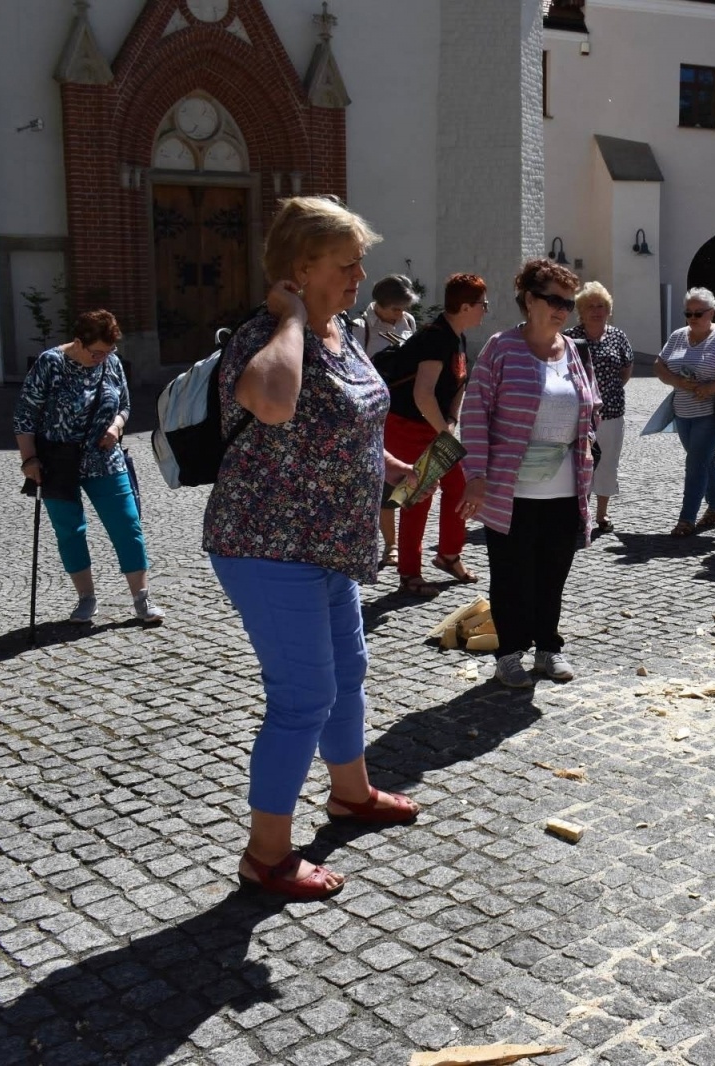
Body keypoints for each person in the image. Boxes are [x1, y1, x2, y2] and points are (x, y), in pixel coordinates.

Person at [204, 196, 421, 901]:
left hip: (330, 542)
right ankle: (265, 853)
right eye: (346, 263)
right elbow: (271, 404)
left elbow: (352, 422)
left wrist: (390, 468)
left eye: (361, 261)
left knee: (349, 670)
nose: (362, 275)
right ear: (300, 268)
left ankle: (349, 792)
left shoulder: (344, 335)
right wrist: (293, 317)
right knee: (303, 697)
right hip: (267, 543)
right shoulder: (267, 335)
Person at [458, 259, 599, 688]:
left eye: (568, 303)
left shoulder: (572, 350)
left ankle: (547, 649)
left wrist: (587, 436)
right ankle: (509, 654)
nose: (562, 310)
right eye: (554, 300)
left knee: (553, 573)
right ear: (530, 299)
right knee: (511, 576)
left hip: (564, 485)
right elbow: (476, 413)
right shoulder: (501, 348)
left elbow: (588, 406)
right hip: (509, 488)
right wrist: (476, 474)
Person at [14, 309, 164, 626]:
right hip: (57, 460)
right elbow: (25, 414)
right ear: (79, 342)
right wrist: (29, 459)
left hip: (104, 457)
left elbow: (123, 403)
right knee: (70, 530)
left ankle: (141, 598)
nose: (103, 358)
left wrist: (117, 426)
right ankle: (86, 598)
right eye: (97, 352)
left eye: (109, 352)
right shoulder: (50, 364)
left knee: (127, 523)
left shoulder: (109, 362)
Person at [375, 273, 488, 596]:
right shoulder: (436, 337)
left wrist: (451, 421)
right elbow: (423, 394)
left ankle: (448, 555)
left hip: (435, 426)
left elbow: (458, 384)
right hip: (407, 426)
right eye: (482, 304)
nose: (485, 310)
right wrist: (446, 432)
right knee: (417, 498)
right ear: (465, 306)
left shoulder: (457, 335)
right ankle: (409, 574)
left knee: (458, 487)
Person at [654, 288, 715, 537]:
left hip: (712, 413)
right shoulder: (677, 336)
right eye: (689, 313)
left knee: (695, 463)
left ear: (712, 312)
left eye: (699, 313)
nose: (693, 318)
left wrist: (713, 387)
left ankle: (686, 519)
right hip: (683, 412)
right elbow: (659, 365)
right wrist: (675, 380)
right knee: (706, 461)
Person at [354, 275, 421, 570]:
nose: (400, 315)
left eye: (403, 309)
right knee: (379, 481)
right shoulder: (360, 327)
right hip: (373, 414)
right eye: (395, 309)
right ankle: (382, 544)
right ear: (379, 305)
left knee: (402, 479)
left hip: (402, 409)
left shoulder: (408, 321)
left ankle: (398, 546)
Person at [565, 281, 634, 535]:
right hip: (578, 413)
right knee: (578, 462)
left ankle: (602, 513)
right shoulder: (570, 338)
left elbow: (626, 369)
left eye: (601, 306)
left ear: (608, 309)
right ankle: (579, 512)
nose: (596, 310)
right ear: (581, 310)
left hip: (612, 411)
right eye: (590, 306)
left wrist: (607, 393)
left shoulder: (618, 336)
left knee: (607, 462)